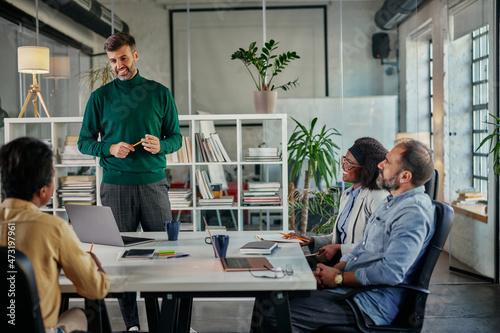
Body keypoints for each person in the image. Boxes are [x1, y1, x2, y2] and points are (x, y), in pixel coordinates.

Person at [252, 139, 436, 332]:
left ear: (405, 176)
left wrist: (338, 277)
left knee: (274, 316)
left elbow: (391, 272)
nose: (380, 164)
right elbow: (362, 248)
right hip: (350, 290)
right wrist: (333, 271)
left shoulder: (413, 212)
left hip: (368, 304)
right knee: (268, 297)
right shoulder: (392, 202)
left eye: (388, 162)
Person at [78, 32, 182, 331]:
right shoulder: (100, 98)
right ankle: (133, 326)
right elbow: (85, 142)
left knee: (163, 254)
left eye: (123, 58)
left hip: (153, 184)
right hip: (115, 186)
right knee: (120, 259)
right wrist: (108, 148)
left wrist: (162, 146)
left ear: (135, 55)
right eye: (113, 60)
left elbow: (175, 137)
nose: (118, 65)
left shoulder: (160, 93)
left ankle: (165, 323)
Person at [0, 137, 109, 332]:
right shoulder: (53, 229)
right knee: (79, 315)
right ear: (43, 190)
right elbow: (94, 289)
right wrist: (97, 268)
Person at [286, 137, 388, 268]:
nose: (343, 166)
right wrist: (310, 240)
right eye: (344, 160)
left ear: (367, 169)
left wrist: (339, 248)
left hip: (356, 266)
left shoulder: (377, 196)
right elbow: (337, 237)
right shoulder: (347, 194)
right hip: (338, 261)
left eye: (349, 163)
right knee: (289, 264)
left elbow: (377, 245)